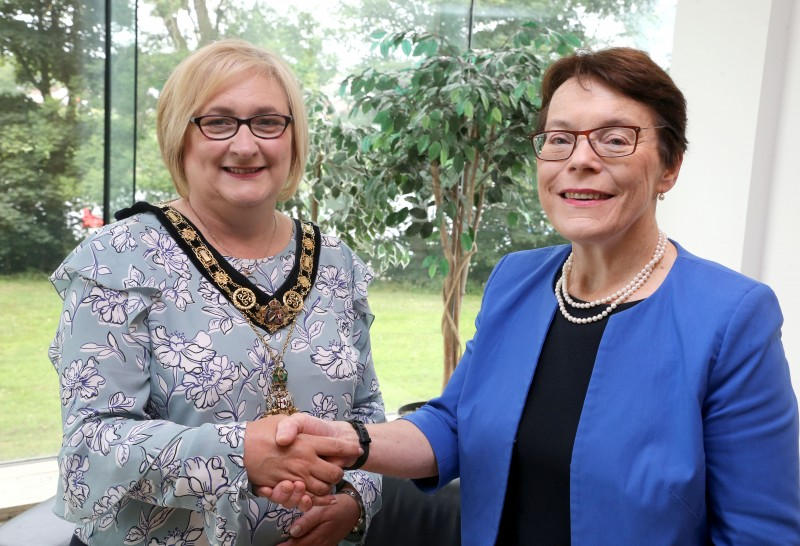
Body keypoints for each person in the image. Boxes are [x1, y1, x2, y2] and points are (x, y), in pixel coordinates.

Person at [263, 47, 800, 545]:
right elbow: (453, 423)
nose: (580, 159)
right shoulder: (516, 280)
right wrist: (348, 441)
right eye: (560, 138)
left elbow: (761, 531)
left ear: (669, 166)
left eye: (615, 139)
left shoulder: (730, 317)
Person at [48, 39, 384, 546]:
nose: (245, 145)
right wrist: (239, 452)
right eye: (218, 122)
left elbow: (367, 417)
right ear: (179, 135)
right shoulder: (118, 258)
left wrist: (354, 501)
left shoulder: (336, 262)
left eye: (268, 122)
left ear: (293, 137)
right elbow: (89, 448)